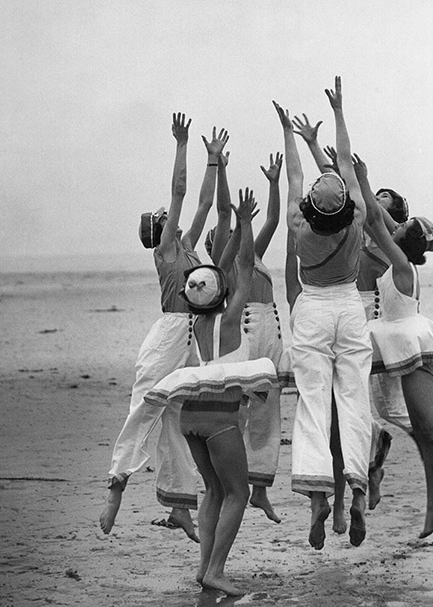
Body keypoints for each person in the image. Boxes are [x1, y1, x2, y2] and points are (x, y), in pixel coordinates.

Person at [99, 115, 229, 538]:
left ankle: (179, 505)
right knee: (147, 403)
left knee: (177, 416)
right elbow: (180, 192)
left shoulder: (187, 247)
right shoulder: (167, 249)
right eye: (164, 217)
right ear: (160, 230)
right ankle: (117, 482)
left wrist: (214, 162)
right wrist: (182, 144)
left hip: (193, 335)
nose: (170, 214)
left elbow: (204, 204)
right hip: (171, 332)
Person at [146, 189, 278, 597]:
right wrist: (245, 223)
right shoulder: (231, 318)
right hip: (220, 418)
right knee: (237, 492)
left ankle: (205, 567)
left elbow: (223, 271)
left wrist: (235, 227)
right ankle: (217, 569)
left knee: (214, 490)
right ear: (223, 293)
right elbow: (244, 265)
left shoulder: (199, 323)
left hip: (191, 417)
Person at [273, 76, 372, 550]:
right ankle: (357, 487)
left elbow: (294, 176)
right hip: (350, 306)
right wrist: (338, 112)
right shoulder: (358, 218)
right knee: (354, 400)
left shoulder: (299, 225)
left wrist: (288, 133)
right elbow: (346, 162)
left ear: (312, 208)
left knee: (313, 403)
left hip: (312, 308)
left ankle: (317, 497)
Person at [354, 154, 433, 541]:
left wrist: (363, 178)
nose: (396, 226)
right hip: (401, 340)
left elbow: (374, 219)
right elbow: (381, 221)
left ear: (405, 239)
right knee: (423, 431)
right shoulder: (402, 257)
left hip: (410, 344)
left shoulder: (401, 264)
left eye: (401, 227)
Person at [209, 151, 285, 523]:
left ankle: (260, 490)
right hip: (248, 330)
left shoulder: (255, 255)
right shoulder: (221, 265)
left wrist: (274, 184)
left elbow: (272, 218)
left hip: (271, 326)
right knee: (241, 407)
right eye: (220, 236)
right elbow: (223, 212)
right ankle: (229, 481)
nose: (227, 236)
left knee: (268, 410)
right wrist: (221, 170)